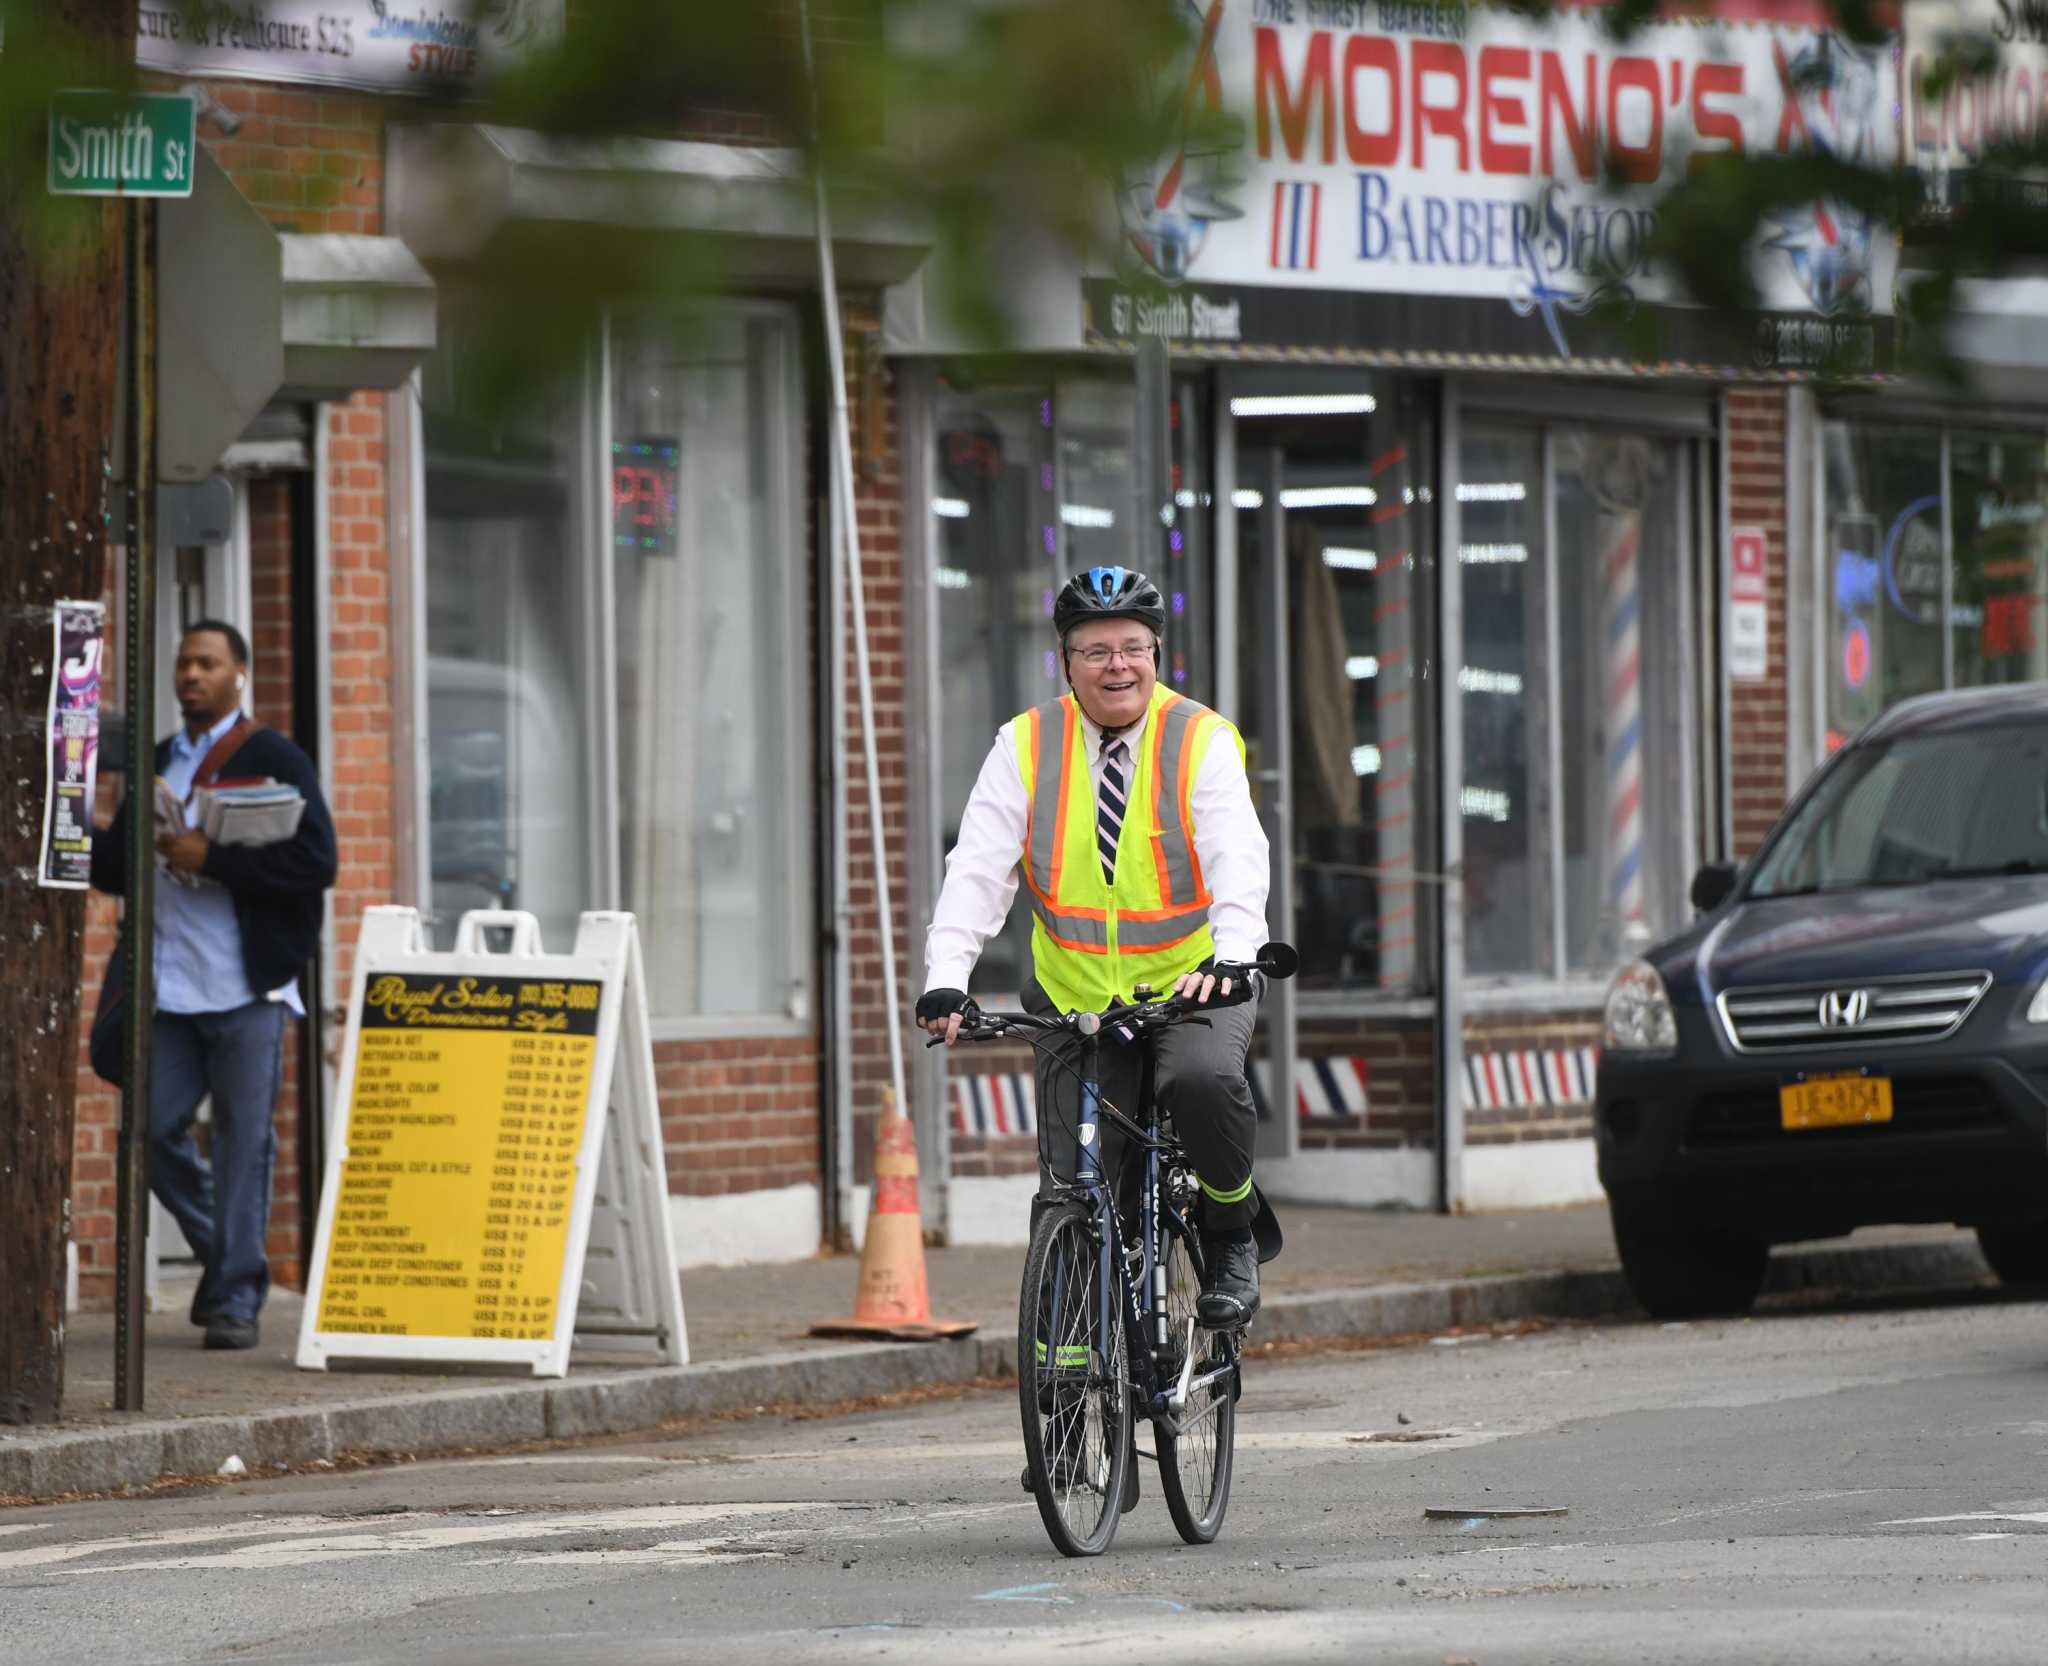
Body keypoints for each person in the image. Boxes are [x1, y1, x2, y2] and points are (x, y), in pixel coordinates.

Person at [917, 565, 1273, 1329]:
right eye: (1097, 651)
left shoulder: (1199, 740)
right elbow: (977, 870)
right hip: (1075, 998)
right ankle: (1067, 1408)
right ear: (1067, 663)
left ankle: (1231, 1229)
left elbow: (1236, 857)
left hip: (1192, 986)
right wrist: (947, 978)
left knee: (1206, 1082)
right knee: (1074, 1187)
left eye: (1134, 648)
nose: (1119, 665)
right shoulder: (1024, 744)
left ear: (1156, 654)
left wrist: (1236, 954)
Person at [92, 621, 337, 1351]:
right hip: (168, 984)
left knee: (242, 1143)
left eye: (207, 663)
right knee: (150, 1126)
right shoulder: (159, 759)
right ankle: (226, 1259)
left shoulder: (273, 756)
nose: (191, 674)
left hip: (244, 986)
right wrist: (80, 823)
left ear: (240, 674)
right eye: (183, 663)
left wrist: (216, 856)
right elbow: (121, 870)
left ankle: (234, 1297)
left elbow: (315, 864)